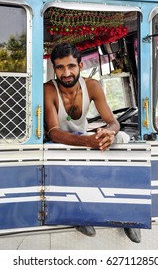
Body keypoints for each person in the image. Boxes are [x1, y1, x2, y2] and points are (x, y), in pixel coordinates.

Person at [44, 43, 141, 243]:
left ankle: (128, 214)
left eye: (71, 66)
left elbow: (113, 122)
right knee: (56, 150)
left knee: (122, 138)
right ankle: (80, 211)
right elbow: (54, 132)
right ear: (54, 69)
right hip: (61, 144)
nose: (66, 72)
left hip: (82, 137)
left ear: (80, 65)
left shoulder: (92, 86)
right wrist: (87, 141)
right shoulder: (48, 90)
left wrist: (108, 132)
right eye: (60, 67)